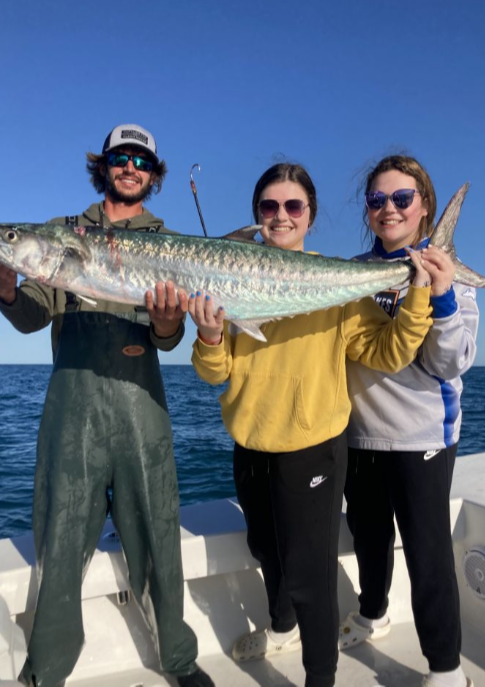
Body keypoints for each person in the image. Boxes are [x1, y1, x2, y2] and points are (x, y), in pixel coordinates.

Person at [186, 162, 452, 687]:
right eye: (269, 206)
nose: (281, 216)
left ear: (309, 215)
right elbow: (217, 372)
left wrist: (420, 291)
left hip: (313, 447)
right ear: (256, 217)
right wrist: (211, 336)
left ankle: (320, 678)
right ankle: (281, 626)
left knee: (311, 575)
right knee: (267, 552)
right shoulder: (227, 276)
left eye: (293, 206)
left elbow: (389, 350)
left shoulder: (336, 281)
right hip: (251, 444)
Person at [0, 123, 214, 687]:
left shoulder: (171, 244)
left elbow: (167, 340)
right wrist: (8, 285)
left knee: (160, 532)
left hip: (141, 403)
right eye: (120, 157)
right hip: (72, 404)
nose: (129, 166)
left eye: (140, 160)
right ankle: (48, 668)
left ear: (152, 174)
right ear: (104, 165)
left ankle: (178, 658)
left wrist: (166, 321)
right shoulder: (64, 234)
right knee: (60, 538)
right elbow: (34, 314)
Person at [340, 155, 477, 687]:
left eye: (402, 198)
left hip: (422, 438)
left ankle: (445, 667)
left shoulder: (455, 278)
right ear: (369, 211)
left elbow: (451, 361)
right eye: (378, 200)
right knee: (369, 538)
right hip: (358, 436)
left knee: (427, 553)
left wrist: (439, 294)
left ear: (424, 207)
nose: (389, 208)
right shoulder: (353, 272)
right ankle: (373, 614)